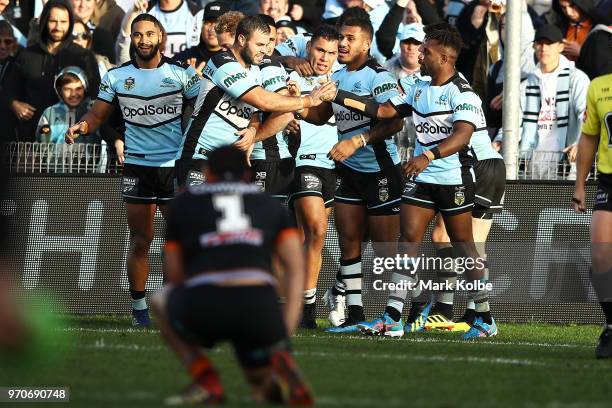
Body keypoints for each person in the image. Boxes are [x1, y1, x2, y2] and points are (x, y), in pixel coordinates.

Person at [332, 23, 494, 339]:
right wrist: (338, 94)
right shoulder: (417, 85)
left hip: (454, 179)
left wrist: (427, 156)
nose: (419, 54)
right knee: (407, 242)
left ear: (446, 57)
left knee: (464, 247)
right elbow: (383, 110)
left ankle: (485, 318)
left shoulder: (462, 93)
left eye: (426, 51)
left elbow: (463, 136)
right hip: (422, 179)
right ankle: (393, 317)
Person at [64, 13, 201, 326]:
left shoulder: (181, 74)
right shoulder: (116, 76)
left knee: (181, 238)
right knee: (141, 240)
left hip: (173, 166)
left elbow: (204, 107)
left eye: (149, 34)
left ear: (160, 38)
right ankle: (139, 310)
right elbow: (97, 115)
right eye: (137, 35)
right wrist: (82, 127)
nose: (143, 40)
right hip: (137, 167)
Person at [151, 145, 313, 405]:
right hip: (259, 307)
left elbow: (174, 273)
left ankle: (205, 378)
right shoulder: (269, 205)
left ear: (207, 172)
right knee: (259, 384)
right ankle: (275, 366)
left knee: (159, 299)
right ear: (247, 174)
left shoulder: (184, 202)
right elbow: (295, 268)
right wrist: (285, 329)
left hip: (206, 302)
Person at [297, 17, 405, 332]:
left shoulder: (380, 75)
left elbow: (393, 117)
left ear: (366, 43)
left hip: (381, 170)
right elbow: (321, 116)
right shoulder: (338, 75)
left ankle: (392, 316)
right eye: (340, 38)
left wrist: (357, 140)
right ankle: (354, 316)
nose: (342, 44)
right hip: (349, 170)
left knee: (386, 249)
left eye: (350, 39)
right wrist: (300, 105)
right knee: (349, 243)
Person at [177, 15, 335, 188]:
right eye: (259, 45)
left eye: (268, 44)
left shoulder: (255, 70)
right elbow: (261, 100)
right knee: (196, 214)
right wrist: (308, 100)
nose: (265, 50)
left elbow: (253, 112)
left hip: (229, 161)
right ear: (242, 39)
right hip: (199, 156)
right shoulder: (221, 62)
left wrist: (253, 130)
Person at [262, 24, 340, 328]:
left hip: (333, 163)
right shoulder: (290, 75)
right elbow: (270, 62)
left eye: (331, 53)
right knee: (317, 230)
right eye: (320, 50)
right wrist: (287, 117)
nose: (324, 57)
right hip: (301, 162)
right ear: (308, 47)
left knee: (307, 240)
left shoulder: (340, 78)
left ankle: (301, 309)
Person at [3, 0, 100, 142]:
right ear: (44, 22)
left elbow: (96, 96)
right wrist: (15, 104)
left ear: (70, 23)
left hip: (73, 146)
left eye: (63, 21)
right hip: (31, 142)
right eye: (53, 21)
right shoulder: (27, 55)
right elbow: (7, 89)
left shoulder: (82, 56)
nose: (58, 27)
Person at [513, 24, 589, 180]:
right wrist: (500, 140)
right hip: (531, 164)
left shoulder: (577, 79)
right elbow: (513, 121)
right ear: (534, 46)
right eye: (540, 43)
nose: (543, 48)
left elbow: (586, 115)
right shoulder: (526, 84)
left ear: (561, 47)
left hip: (565, 165)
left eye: (549, 43)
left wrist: (581, 142)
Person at [573, 72, 612, 359]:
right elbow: (589, 136)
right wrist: (580, 184)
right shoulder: (599, 86)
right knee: (600, 256)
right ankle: (611, 324)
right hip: (609, 181)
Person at [248, 14, 294, 202]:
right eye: (263, 40)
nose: (267, 47)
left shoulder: (269, 65)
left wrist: (251, 139)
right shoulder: (243, 66)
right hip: (253, 158)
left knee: (263, 227)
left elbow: (286, 112)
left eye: (272, 40)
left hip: (267, 158)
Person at [36, 66, 99, 145]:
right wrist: (44, 132)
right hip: (55, 157)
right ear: (59, 91)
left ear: (85, 88)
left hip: (86, 156)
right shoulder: (50, 112)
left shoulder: (92, 111)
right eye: (67, 89)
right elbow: (40, 140)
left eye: (78, 88)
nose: (73, 94)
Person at [172, 1, 228, 68]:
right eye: (208, 22)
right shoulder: (185, 58)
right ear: (201, 25)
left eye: (217, 23)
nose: (212, 29)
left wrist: (198, 78)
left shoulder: (235, 59)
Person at [0, 20, 19, 142]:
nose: (2, 46)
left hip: (8, 134)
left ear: (14, 43)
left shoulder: (18, 65)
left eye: (7, 41)